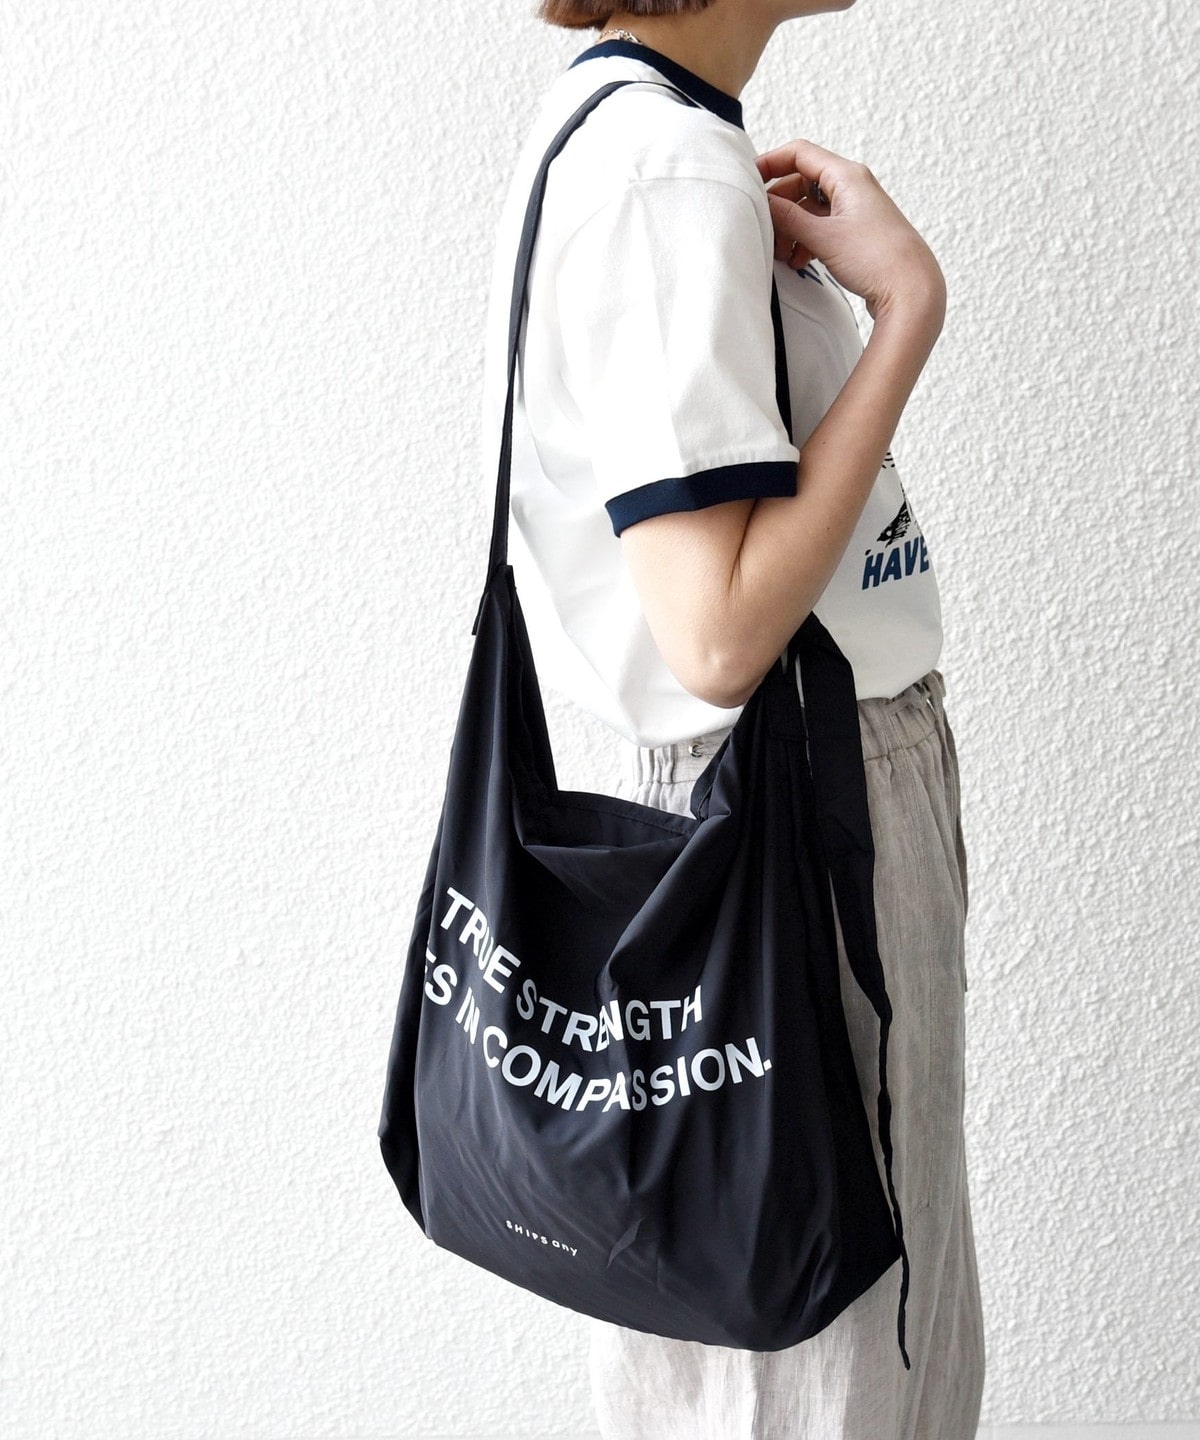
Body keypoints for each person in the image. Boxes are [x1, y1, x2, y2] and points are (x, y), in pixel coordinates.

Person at [477, 1, 986, 1434]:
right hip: (789, 802)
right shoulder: (666, 169)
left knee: (757, 1353)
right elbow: (716, 636)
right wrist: (908, 311)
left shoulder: (624, 130)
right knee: (832, 1367)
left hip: (753, 794)